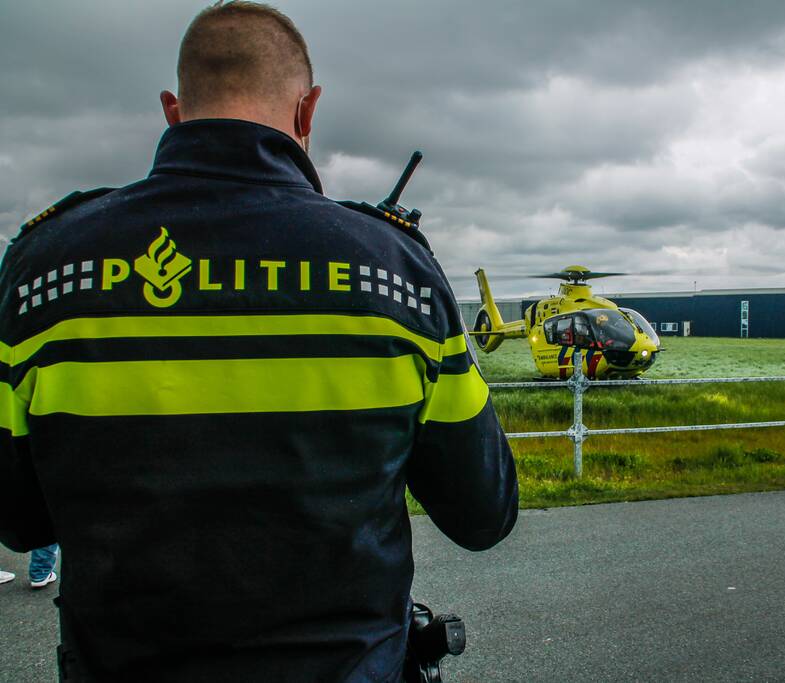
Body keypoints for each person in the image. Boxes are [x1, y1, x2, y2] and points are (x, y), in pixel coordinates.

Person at [0, 2, 517, 681]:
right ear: (307, 111)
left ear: (171, 109)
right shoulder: (394, 272)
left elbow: (19, 522)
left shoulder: (44, 270)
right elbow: (483, 513)